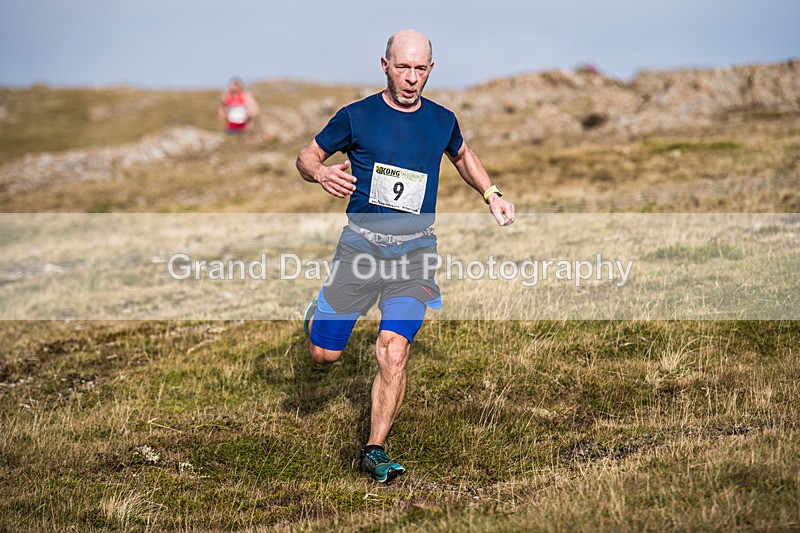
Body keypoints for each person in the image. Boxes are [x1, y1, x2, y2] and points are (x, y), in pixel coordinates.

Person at [295, 29, 515, 483]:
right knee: (323, 355)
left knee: (393, 352)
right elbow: (306, 155)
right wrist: (318, 173)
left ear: (430, 70)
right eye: (402, 67)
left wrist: (491, 192)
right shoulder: (356, 116)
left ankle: (374, 448)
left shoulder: (442, 119)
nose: (411, 78)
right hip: (359, 248)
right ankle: (318, 315)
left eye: (420, 69)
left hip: (416, 251)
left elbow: (463, 155)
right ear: (384, 65)